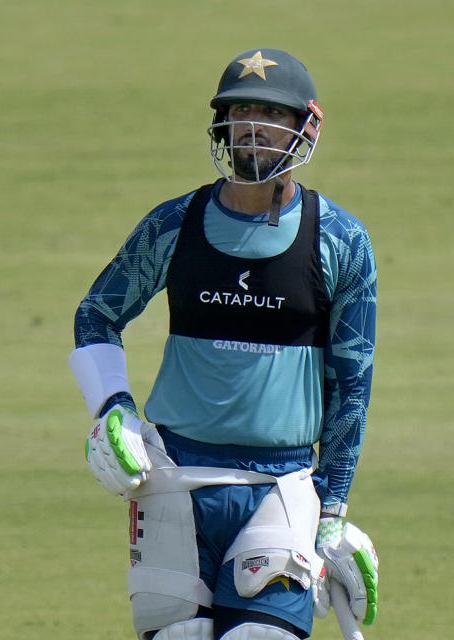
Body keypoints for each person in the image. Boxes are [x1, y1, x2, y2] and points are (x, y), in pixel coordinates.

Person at [69, 48, 378, 640]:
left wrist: (334, 510)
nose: (254, 126)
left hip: (281, 483)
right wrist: (113, 411)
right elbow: (96, 316)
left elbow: (353, 384)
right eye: (241, 111)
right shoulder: (172, 224)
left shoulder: (341, 239)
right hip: (171, 476)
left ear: (305, 126)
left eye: (271, 112)